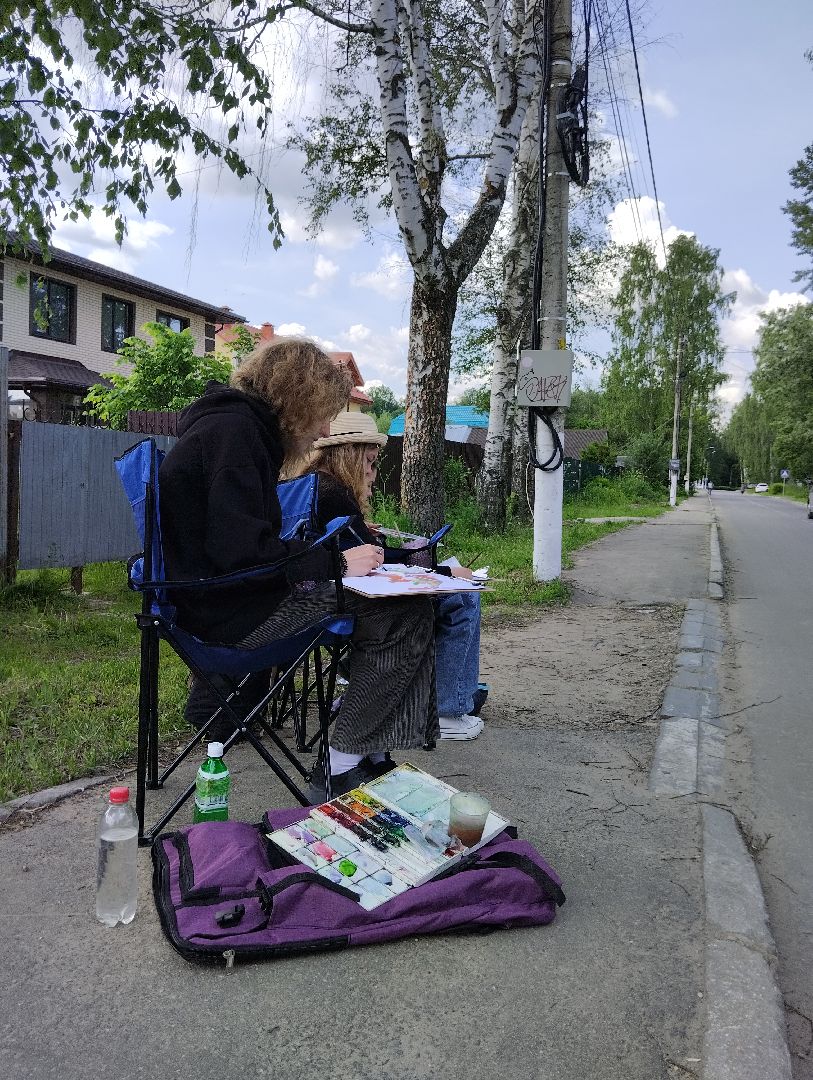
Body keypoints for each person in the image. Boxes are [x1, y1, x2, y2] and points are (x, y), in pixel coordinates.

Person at [159, 337, 439, 801]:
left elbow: (242, 545)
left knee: (398, 606)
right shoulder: (236, 435)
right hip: (233, 615)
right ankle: (343, 762)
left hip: (217, 600)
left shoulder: (229, 428)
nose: (325, 427)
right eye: (324, 411)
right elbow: (244, 554)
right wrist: (331, 560)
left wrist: (318, 558)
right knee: (405, 609)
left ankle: (365, 750)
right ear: (299, 399)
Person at [305, 411, 485, 741]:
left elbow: (359, 552)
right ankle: (447, 708)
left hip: (313, 599)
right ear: (351, 456)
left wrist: (364, 534)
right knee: (461, 598)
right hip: (341, 607)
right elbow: (376, 561)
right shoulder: (333, 493)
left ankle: (379, 693)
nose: (373, 474)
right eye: (370, 463)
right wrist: (444, 570)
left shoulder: (307, 484)